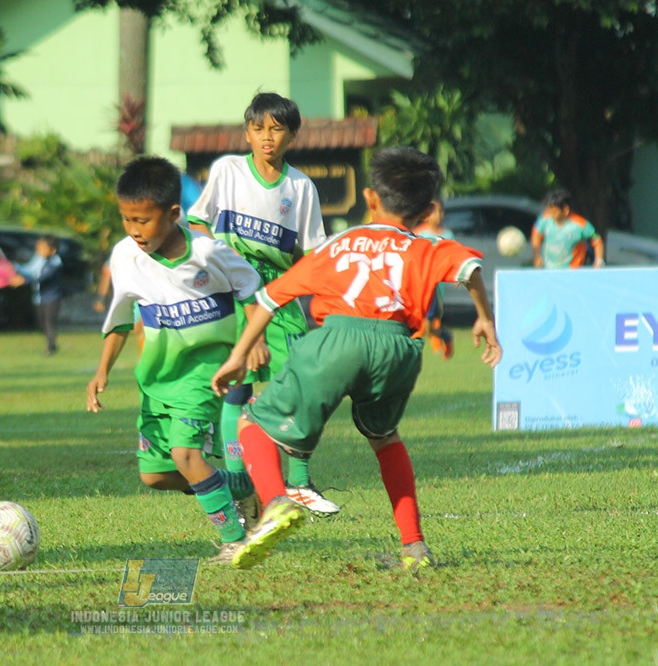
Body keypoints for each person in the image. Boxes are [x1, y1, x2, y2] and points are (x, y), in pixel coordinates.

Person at [210, 147, 502, 570]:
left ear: (369, 198)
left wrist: (239, 356)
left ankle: (276, 502)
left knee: (253, 421)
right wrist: (485, 319)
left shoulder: (339, 243)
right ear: (428, 208)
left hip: (336, 339)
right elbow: (470, 267)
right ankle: (414, 548)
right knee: (385, 438)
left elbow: (271, 298)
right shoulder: (424, 245)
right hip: (398, 348)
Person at [86, 156, 264, 563]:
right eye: (126, 219)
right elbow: (118, 320)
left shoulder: (208, 253)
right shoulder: (124, 256)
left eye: (143, 221)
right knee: (156, 475)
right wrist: (101, 372)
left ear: (172, 214)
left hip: (205, 374)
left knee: (187, 456)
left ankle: (237, 540)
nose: (134, 230)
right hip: (157, 380)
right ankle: (239, 488)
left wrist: (251, 342)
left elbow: (252, 291)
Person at [186, 92, 335, 516]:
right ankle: (238, 483)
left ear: (292, 134)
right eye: (258, 128)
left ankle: (301, 483)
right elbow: (197, 221)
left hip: (281, 299)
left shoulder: (301, 187)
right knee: (238, 386)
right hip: (234, 297)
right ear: (246, 132)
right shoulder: (228, 170)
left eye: (276, 129)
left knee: (299, 387)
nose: (266, 137)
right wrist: (215, 258)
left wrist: (319, 302)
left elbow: (312, 253)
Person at [412, 199, 455, 358]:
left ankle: (444, 339)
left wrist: (456, 275)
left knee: (429, 325)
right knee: (420, 324)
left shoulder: (447, 234)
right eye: (433, 211)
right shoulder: (418, 233)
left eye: (440, 211)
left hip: (434, 285)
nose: (438, 215)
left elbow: (452, 257)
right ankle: (443, 340)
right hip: (418, 283)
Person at [12, 235, 64, 356]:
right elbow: (30, 271)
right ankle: (51, 344)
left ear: (52, 250)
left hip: (52, 298)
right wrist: (15, 267)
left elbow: (42, 277)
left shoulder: (55, 262)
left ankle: (51, 347)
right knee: (41, 322)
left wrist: (23, 281)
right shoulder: (41, 260)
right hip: (39, 298)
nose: (39, 251)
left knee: (49, 322)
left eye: (42, 248)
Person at [532, 188, 605, 269]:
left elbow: (597, 239)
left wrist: (599, 260)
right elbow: (536, 234)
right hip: (548, 271)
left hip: (572, 273)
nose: (550, 214)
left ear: (566, 210)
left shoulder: (581, 224)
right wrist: (536, 254)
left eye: (554, 212)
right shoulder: (544, 219)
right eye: (548, 211)